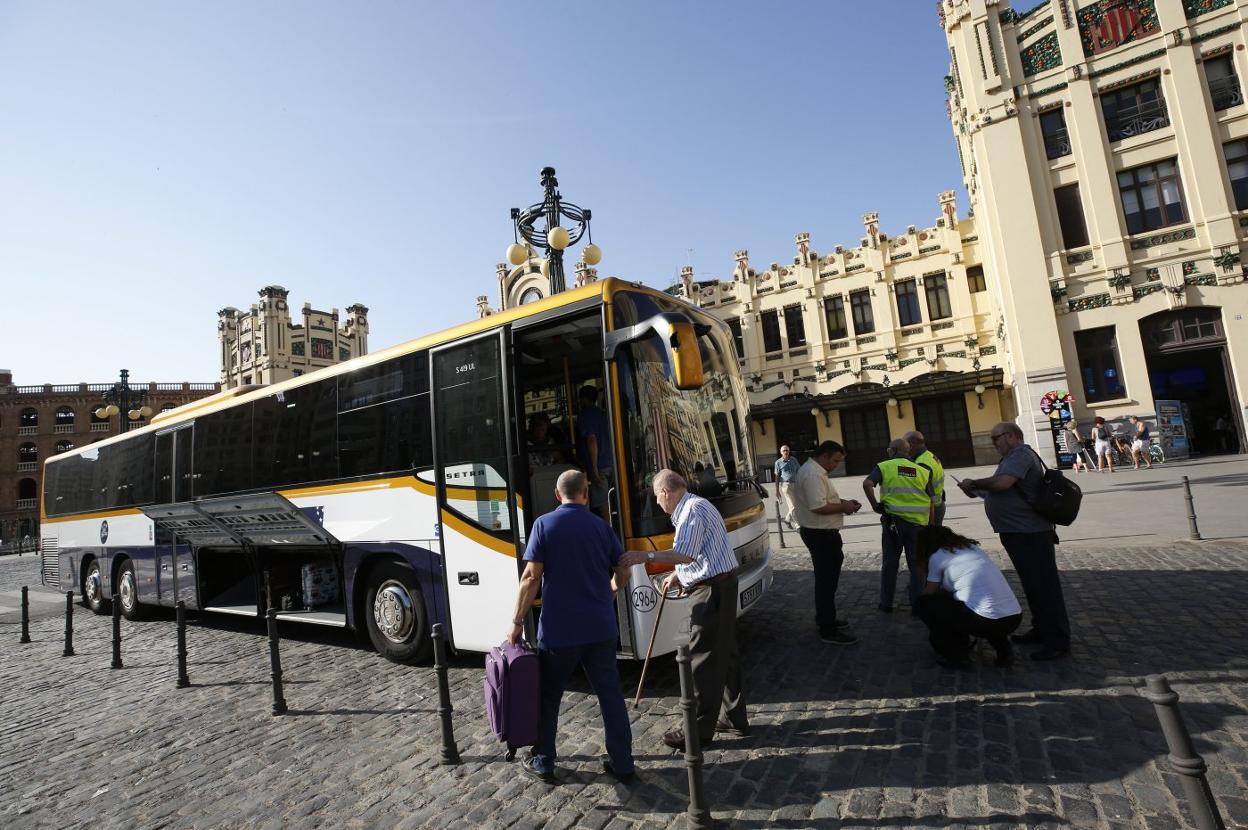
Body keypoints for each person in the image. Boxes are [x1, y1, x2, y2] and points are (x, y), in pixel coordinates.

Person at [507, 469, 635, 784]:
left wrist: (516, 622)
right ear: (585, 493)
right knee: (610, 696)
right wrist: (612, 589)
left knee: (549, 697)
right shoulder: (601, 527)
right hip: (601, 628)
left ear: (556, 494)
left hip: (559, 630)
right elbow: (624, 570)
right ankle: (622, 762)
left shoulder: (544, 525)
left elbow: (531, 577)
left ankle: (544, 760)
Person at [620, 469, 748, 749]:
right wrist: (680, 574)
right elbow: (703, 551)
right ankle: (734, 718)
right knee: (726, 653)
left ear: (666, 492)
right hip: (721, 583)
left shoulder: (691, 510)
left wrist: (647, 555)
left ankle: (697, 731)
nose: (656, 503)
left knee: (702, 659)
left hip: (712, 590)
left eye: (656, 496)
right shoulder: (697, 505)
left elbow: (687, 553)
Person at [956, 422, 1071, 661]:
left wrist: (975, 482)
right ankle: (1041, 630)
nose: (994, 443)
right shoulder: (1011, 458)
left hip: (1030, 532)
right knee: (1032, 584)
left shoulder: (1020, 454)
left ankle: (1057, 640)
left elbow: (1002, 483)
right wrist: (974, 490)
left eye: (995, 438)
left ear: (1010, 436)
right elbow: (998, 491)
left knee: (1044, 586)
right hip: (1018, 531)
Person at [915, 524, 1022, 669]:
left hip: (983, 621)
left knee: (924, 604)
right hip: (1013, 617)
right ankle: (1004, 650)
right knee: (988, 608)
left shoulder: (937, 556)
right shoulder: (973, 548)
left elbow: (930, 592)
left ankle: (957, 655)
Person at [792, 440, 862, 645]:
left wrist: (844, 503)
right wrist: (844, 507)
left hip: (821, 532)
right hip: (820, 534)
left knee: (827, 580)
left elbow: (822, 501)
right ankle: (827, 628)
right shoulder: (813, 474)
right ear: (824, 456)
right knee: (826, 581)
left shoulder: (814, 471)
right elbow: (818, 506)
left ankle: (825, 618)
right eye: (835, 461)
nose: (836, 465)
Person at [862, 438, 934, 614]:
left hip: (893, 523)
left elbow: (867, 483)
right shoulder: (923, 470)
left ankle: (886, 604)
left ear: (893, 450)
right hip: (918, 525)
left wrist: (874, 505)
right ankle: (917, 606)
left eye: (888, 449)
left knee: (890, 563)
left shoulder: (884, 466)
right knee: (917, 565)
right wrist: (931, 525)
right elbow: (932, 501)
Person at [576, 385, 614, 521]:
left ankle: (610, 534)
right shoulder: (603, 414)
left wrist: (594, 468)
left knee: (602, 504)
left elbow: (592, 441)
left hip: (600, 465)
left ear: (583, 399)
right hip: (611, 462)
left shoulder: (585, 416)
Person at [905, 430, 946, 525]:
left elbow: (925, 491)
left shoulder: (922, 463)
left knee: (930, 538)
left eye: (906, 444)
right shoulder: (930, 455)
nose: (905, 447)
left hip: (930, 509)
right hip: (938, 503)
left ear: (912, 444)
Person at [773, 445, 801, 529]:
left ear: (789, 451)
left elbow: (799, 471)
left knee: (797, 505)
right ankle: (798, 525)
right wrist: (777, 490)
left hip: (796, 484)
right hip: (786, 486)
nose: (785, 452)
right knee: (792, 506)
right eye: (784, 450)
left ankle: (787, 520)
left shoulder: (794, 460)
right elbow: (777, 477)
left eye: (787, 450)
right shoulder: (778, 463)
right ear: (781, 452)